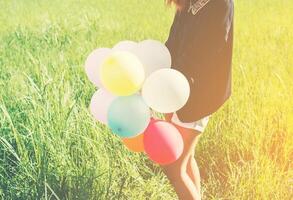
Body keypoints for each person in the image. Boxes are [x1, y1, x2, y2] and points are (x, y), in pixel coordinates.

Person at [162, 0, 234, 199]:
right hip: (175, 88)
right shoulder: (188, 1)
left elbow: (209, 49)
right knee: (186, 159)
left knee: (174, 167)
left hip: (200, 94)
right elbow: (173, 40)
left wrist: (177, 76)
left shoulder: (220, 3)